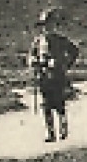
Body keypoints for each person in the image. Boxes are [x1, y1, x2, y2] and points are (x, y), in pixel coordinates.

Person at [27, 8, 78, 142]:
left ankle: (63, 128)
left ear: (54, 25)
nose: (47, 28)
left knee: (59, 103)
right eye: (44, 25)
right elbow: (31, 55)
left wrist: (66, 64)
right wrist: (34, 62)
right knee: (46, 105)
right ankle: (50, 133)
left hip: (57, 75)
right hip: (43, 76)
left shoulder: (60, 40)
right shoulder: (38, 41)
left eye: (49, 24)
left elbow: (74, 51)